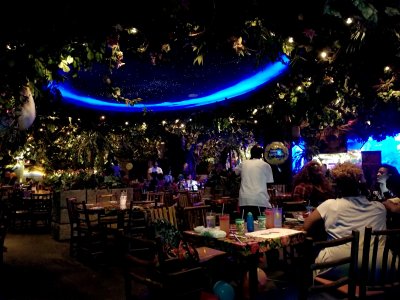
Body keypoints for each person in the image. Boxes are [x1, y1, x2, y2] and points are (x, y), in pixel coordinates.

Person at [304, 162, 387, 278]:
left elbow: (306, 226)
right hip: (381, 265)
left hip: (339, 263)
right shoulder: (380, 207)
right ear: (362, 185)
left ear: (336, 185)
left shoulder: (329, 205)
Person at [234, 144, 274, 220]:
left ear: (251, 154)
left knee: (246, 224)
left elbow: (234, 174)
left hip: (245, 200)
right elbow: (269, 185)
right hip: (260, 199)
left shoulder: (243, 164)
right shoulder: (266, 165)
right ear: (261, 155)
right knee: (260, 225)